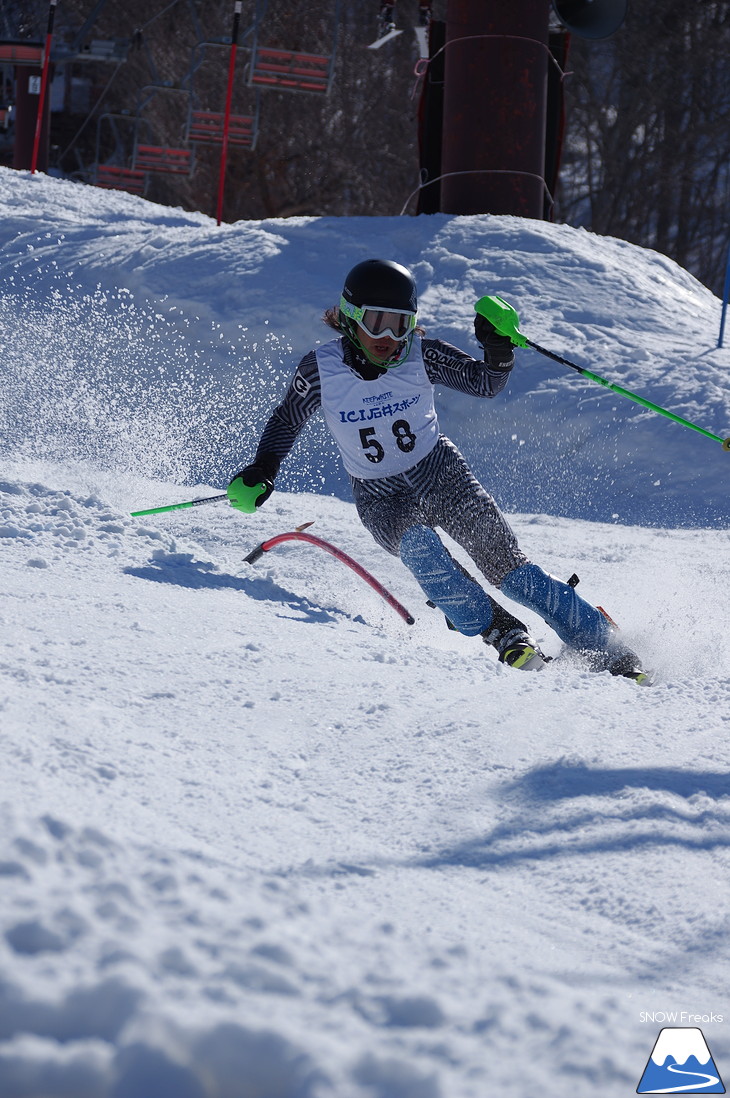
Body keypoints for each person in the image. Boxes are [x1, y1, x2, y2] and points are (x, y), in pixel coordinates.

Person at [229, 259, 651, 683]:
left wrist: (498, 350)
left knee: (510, 569)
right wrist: (264, 467)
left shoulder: (421, 354)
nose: (389, 338)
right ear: (351, 316)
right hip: (380, 496)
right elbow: (287, 419)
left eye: (401, 324)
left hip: (441, 473)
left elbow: (484, 382)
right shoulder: (320, 369)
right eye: (377, 323)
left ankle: (603, 642)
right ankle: (503, 632)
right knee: (422, 553)